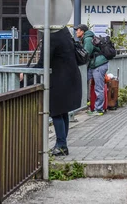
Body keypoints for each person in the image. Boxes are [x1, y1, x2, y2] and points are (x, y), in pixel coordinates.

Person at [33, 26, 81, 156]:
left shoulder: (51, 36)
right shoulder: (64, 32)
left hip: (59, 78)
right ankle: (62, 144)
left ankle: (61, 145)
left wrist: (29, 73)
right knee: (62, 111)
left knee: (55, 112)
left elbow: (44, 62)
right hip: (70, 76)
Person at [75, 24, 109, 116]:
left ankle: (99, 109)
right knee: (88, 83)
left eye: (77, 30)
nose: (76, 32)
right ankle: (89, 105)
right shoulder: (88, 37)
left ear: (82, 31)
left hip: (98, 65)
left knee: (98, 87)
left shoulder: (87, 39)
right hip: (95, 65)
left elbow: (86, 53)